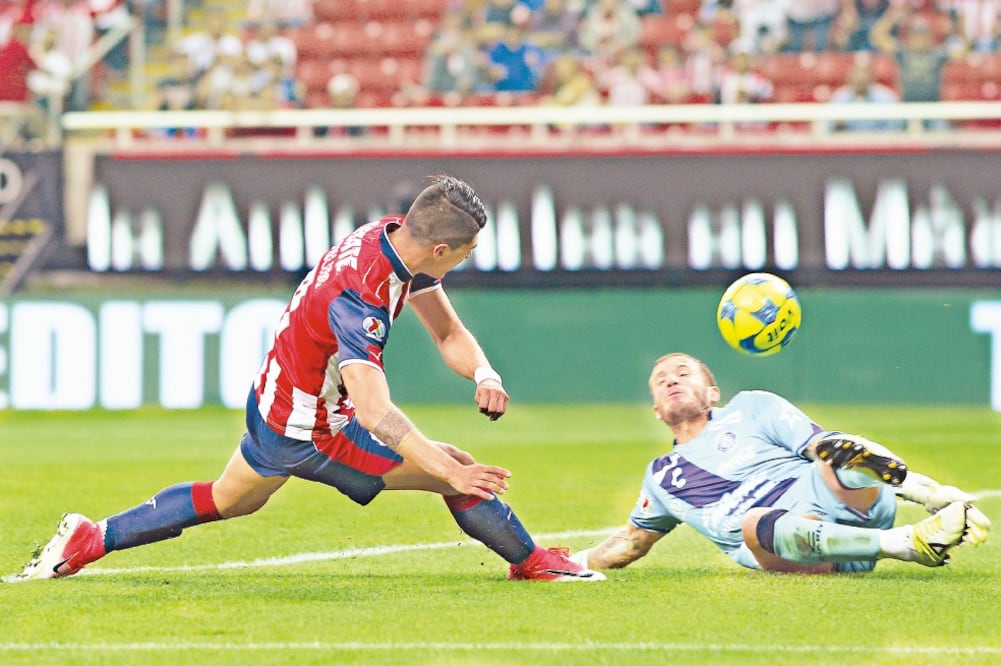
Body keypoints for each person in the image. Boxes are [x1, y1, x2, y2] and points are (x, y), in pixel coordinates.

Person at [14, 175, 604, 584]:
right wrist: (451, 471)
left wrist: (484, 371)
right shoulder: (362, 298)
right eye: (467, 252)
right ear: (443, 247)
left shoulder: (393, 238)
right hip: (310, 429)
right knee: (456, 470)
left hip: (275, 399)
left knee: (228, 499)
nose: (467, 260)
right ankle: (534, 562)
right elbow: (377, 413)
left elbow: (448, 334)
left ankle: (91, 538)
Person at [570, 353, 991, 575]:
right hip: (788, 547)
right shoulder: (661, 476)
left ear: (713, 393)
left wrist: (928, 492)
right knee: (756, 523)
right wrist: (564, 563)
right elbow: (629, 544)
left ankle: (932, 495)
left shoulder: (753, 406)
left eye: (683, 372)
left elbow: (826, 448)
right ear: (658, 411)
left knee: (839, 448)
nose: (672, 380)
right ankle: (908, 546)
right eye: (661, 381)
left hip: (841, 499)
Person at [828, 59, 904, 131]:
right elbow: (827, 125)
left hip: (879, 141)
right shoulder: (839, 98)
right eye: (857, 80)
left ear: (871, 79)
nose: (860, 82)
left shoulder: (885, 98)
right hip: (847, 142)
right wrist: (837, 126)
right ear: (850, 79)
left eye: (863, 80)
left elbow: (895, 126)